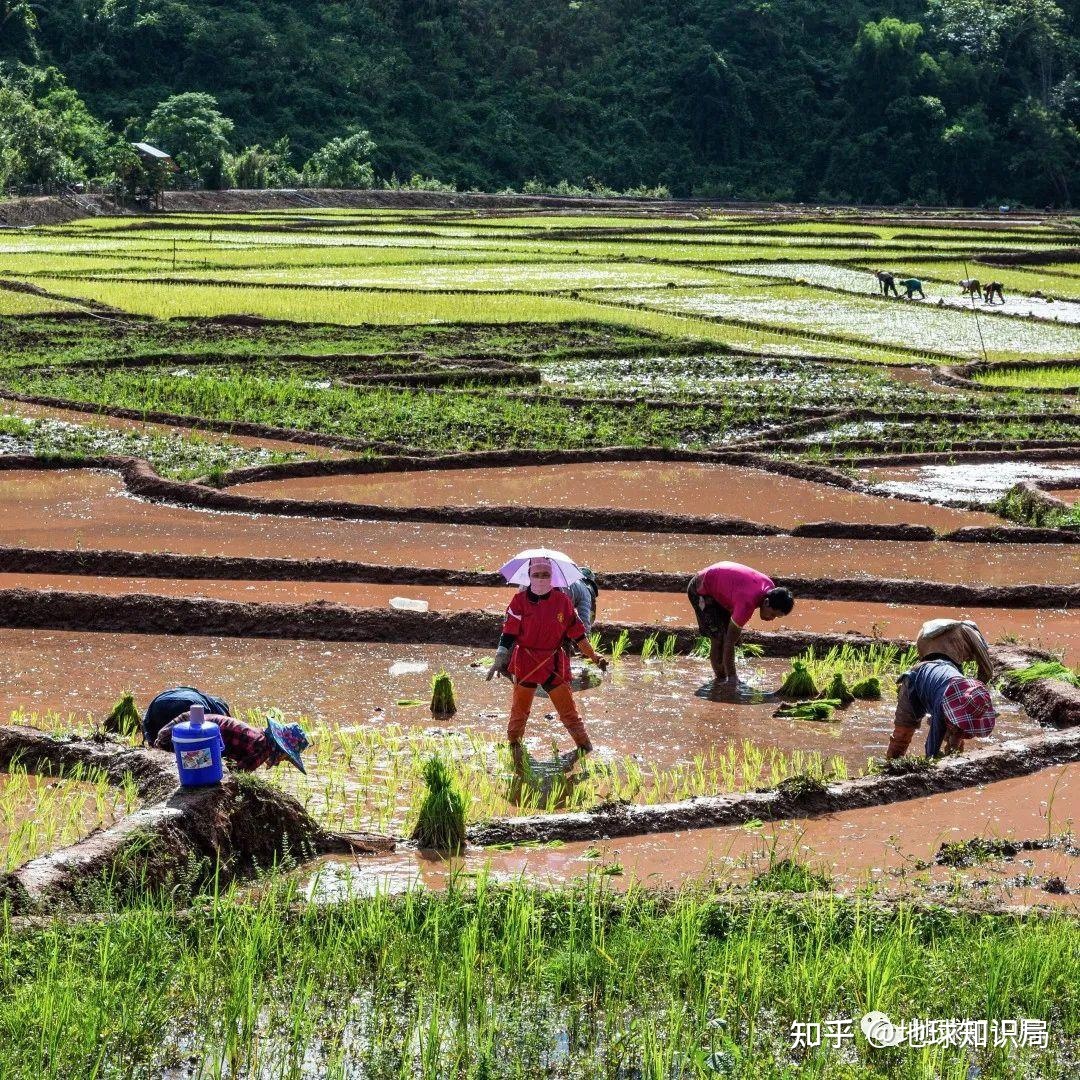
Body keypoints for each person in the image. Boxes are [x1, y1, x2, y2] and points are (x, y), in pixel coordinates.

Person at [487, 557, 608, 758]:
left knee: (569, 713)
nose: (541, 579)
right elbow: (508, 634)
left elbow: (579, 636)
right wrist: (499, 658)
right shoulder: (519, 602)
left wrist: (594, 656)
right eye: (536, 575)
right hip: (526, 663)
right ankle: (514, 750)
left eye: (545, 575)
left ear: (552, 577)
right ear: (529, 577)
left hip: (554, 664)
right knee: (519, 713)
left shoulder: (564, 603)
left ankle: (585, 748)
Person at [687, 562, 794, 685]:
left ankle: (724, 676)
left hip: (719, 584)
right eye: (773, 614)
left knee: (730, 633)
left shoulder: (770, 587)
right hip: (700, 588)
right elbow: (729, 642)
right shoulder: (747, 603)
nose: (772, 619)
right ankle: (721, 680)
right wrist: (732, 678)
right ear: (766, 603)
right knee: (720, 638)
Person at [885, 657, 997, 759]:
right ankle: (890, 767)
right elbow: (932, 744)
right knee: (903, 733)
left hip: (943, 675)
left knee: (957, 738)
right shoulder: (943, 702)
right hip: (916, 680)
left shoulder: (975, 699)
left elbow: (960, 730)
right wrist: (931, 762)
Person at [154, 710, 310, 773]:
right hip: (183, 737)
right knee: (204, 770)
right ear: (281, 749)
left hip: (180, 726)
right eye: (286, 757)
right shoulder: (264, 747)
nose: (283, 760)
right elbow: (238, 774)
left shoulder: (257, 735)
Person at [142, 686, 231, 746]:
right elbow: (218, 739)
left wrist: (149, 739)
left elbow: (148, 722)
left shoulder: (202, 696)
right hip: (190, 705)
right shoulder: (217, 712)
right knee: (190, 744)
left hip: (158, 702)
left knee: (159, 738)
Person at [916, 617, 993, 683]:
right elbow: (987, 670)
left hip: (923, 640)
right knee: (956, 683)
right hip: (948, 651)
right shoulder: (972, 634)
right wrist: (975, 687)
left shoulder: (960, 628)